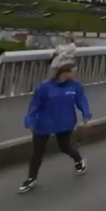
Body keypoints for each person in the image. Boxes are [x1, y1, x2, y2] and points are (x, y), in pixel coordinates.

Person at [19, 64, 91, 194]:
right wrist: (29, 120)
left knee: (65, 146)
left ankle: (79, 160)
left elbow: (81, 100)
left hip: (65, 122)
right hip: (44, 122)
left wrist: (86, 115)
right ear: (65, 73)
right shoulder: (45, 87)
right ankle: (31, 178)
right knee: (37, 152)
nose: (76, 74)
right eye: (74, 72)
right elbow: (34, 105)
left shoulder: (75, 86)